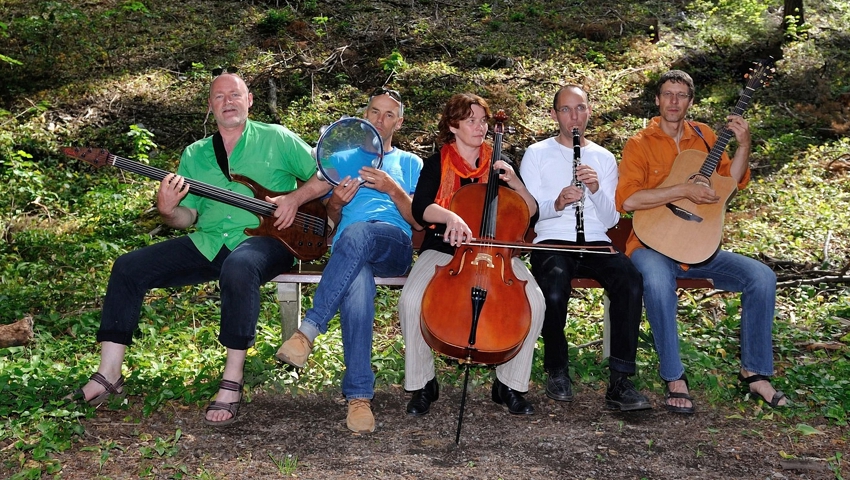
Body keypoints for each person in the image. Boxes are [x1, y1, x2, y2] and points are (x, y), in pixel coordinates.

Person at [65, 71, 332, 426]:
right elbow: (188, 217)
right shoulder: (195, 154)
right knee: (128, 267)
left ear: (249, 99)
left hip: (272, 239)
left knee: (239, 266)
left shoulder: (277, 138)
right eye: (219, 97)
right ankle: (109, 374)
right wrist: (167, 209)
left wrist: (295, 199)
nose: (228, 102)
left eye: (235, 95)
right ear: (210, 106)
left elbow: (326, 173)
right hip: (209, 241)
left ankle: (233, 378)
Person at [615, 70, 787, 413]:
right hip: (651, 246)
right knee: (658, 280)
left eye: (681, 95)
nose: (674, 101)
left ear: (690, 102)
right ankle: (674, 376)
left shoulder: (706, 136)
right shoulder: (639, 143)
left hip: (698, 247)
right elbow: (628, 201)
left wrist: (744, 144)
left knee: (762, 277)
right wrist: (683, 189)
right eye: (668, 94)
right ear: (657, 100)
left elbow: (729, 184)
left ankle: (754, 372)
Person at [275, 88, 423, 433]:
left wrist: (392, 189)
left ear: (398, 123)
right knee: (357, 281)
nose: (379, 120)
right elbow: (314, 190)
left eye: (389, 115)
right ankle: (359, 398)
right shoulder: (345, 157)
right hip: (350, 254)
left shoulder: (410, 163)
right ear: (364, 115)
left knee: (359, 233)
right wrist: (327, 203)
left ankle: (307, 331)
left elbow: (418, 221)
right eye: (374, 112)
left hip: (392, 244)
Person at [398, 93, 546, 416]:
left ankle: (509, 384)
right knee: (411, 300)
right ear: (453, 126)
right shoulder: (437, 162)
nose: (480, 128)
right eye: (471, 121)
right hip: (445, 252)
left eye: (483, 121)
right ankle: (424, 383)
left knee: (536, 302)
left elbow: (531, 213)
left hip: (497, 255)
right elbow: (421, 208)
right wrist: (450, 216)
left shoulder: (500, 163)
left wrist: (516, 183)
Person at [520, 85, 651, 411]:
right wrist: (558, 202)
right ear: (554, 115)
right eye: (565, 109)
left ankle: (620, 381)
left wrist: (594, 188)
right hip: (552, 239)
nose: (573, 116)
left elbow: (609, 219)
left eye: (579, 108)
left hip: (595, 241)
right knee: (553, 286)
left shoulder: (603, 158)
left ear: (589, 111)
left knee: (630, 280)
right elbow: (531, 211)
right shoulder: (536, 154)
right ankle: (557, 369)